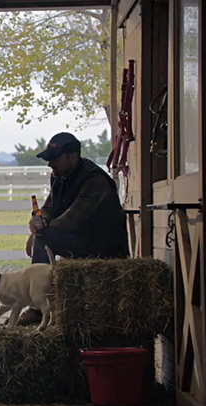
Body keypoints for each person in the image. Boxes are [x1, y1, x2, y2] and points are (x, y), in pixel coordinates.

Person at [18, 132, 129, 326]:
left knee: (43, 238)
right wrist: (40, 220)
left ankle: (37, 308)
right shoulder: (60, 176)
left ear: (73, 157)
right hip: (82, 239)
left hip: (103, 247)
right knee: (42, 236)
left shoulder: (95, 181)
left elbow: (72, 219)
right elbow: (50, 207)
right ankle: (40, 303)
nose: (50, 164)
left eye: (54, 159)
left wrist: (39, 233)